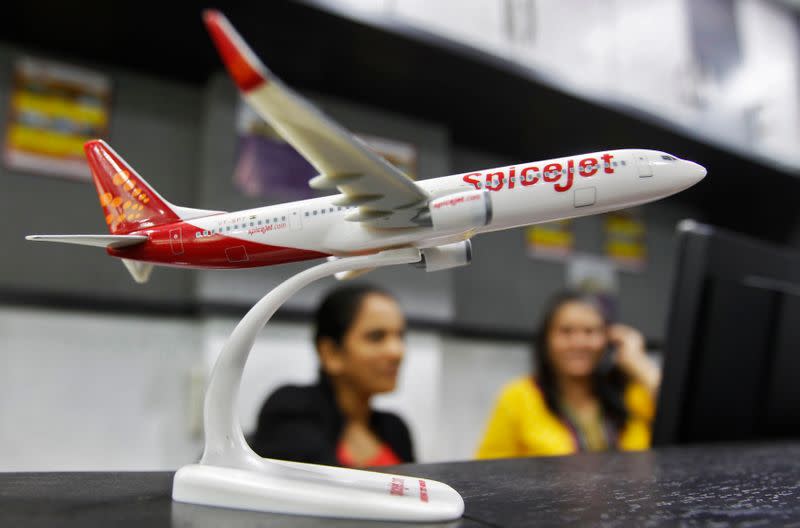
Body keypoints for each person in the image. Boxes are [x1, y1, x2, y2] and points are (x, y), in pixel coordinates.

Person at [476, 291, 661, 458]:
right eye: (566, 331)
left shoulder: (631, 394)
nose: (579, 342)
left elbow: (682, 422)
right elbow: (487, 473)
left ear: (607, 339)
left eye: (590, 332)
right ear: (546, 340)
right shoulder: (518, 397)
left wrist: (639, 363)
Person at [249, 284, 414, 467]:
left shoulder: (396, 429)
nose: (397, 351)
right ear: (331, 353)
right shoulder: (290, 409)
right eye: (376, 337)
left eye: (400, 336)